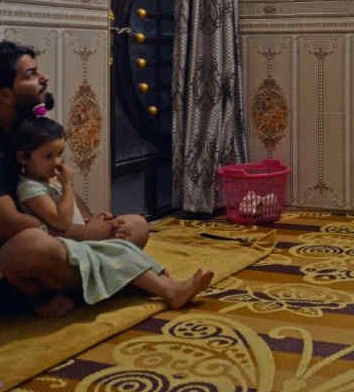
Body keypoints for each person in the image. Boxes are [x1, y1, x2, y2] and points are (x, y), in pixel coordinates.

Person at [0, 40, 203, 316]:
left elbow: (55, 185)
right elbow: (8, 227)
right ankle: (118, 281)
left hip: (59, 240)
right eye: (30, 75)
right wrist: (82, 235)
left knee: (135, 225)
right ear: (4, 94)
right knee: (32, 245)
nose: (44, 79)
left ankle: (87, 285)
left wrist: (90, 223)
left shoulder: (27, 132)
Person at [12, 115, 213, 309]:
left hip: (78, 238)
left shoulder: (49, 181)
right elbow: (62, 222)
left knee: (122, 243)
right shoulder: (30, 189)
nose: (57, 162)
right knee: (116, 252)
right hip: (66, 248)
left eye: (59, 154)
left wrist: (96, 220)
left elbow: (77, 213)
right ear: (23, 157)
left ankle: (164, 281)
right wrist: (67, 186)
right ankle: (169, 291)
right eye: (48, 156)